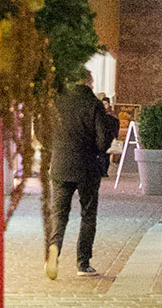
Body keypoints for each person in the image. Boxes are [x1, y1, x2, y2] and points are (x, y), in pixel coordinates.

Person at [46, 75, 119, 279]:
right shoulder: (93, 104)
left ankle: (53, 253)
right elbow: (103, 140)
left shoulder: (57, 102)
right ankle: (83, 263)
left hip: (60, 165)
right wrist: (97, 148)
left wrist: (55, 149)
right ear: (88, 82)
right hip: (87, 167)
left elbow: (43, 132)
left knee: (59, 214)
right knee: (88, 215)